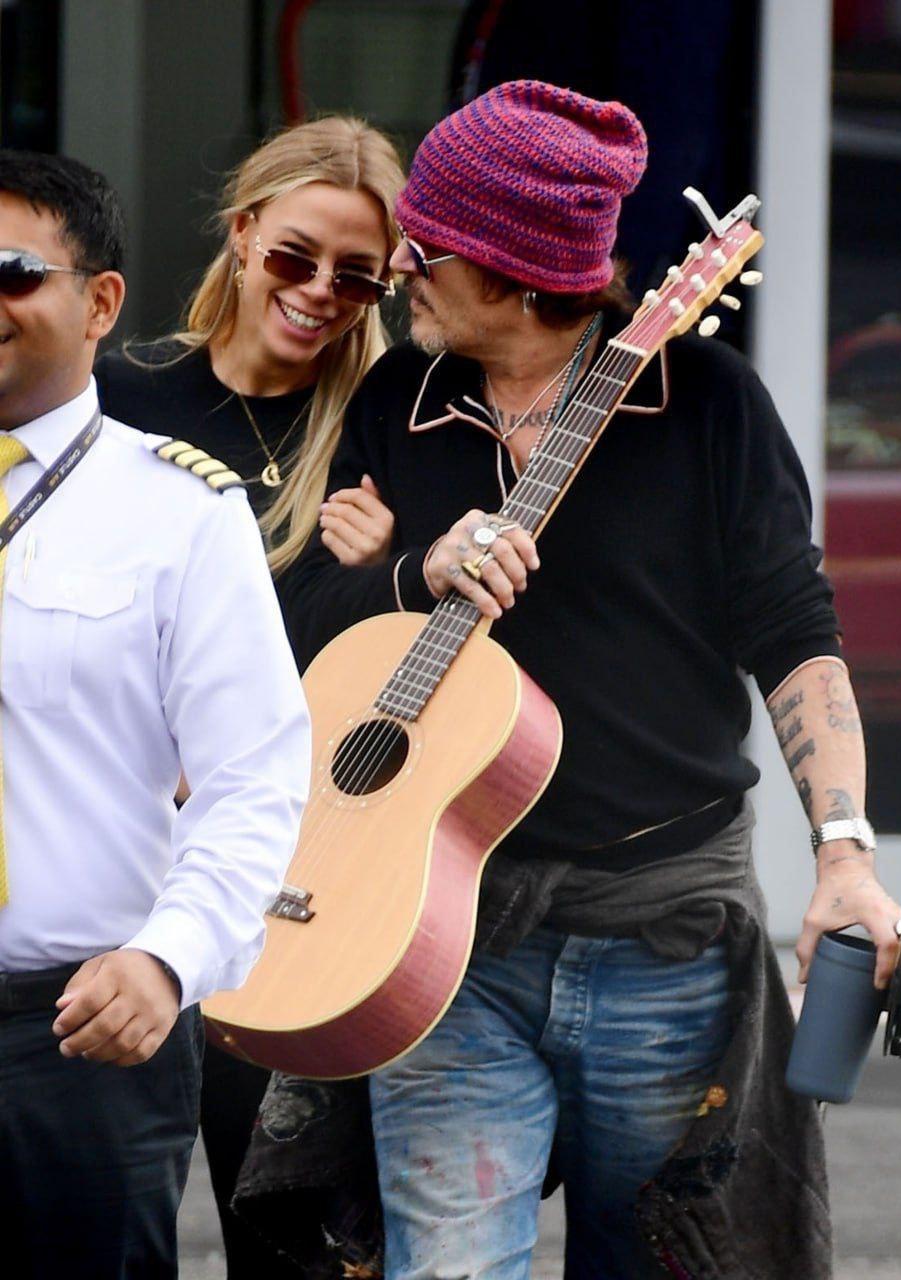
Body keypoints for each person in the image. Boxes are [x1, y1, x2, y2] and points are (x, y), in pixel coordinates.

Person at [271, 81, 901, 1279]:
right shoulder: (396, 398)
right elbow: (311, 629)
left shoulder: (708, 405)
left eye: (428, 249)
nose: (399, 267)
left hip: (661, 933)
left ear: (518, 278)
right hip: (441, 935)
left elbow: (794, 631)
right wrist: (414, 570)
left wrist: (843, 852)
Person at [94, 117, 404, 1277]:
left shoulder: (383, 425)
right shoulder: (118, 393)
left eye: (356, 276)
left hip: (293, 875)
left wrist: (389, 571)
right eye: (293, 256)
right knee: (90, 1220)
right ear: (241, 234)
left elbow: (390, 677)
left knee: (284, 1237)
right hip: (114, 862)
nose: (319, 293)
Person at [0, 150, 311, 1277]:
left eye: (12, 273)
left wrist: (167, 961)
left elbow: (254, 781)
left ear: (99, 303)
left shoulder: (181, 511)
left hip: (79, 1031)